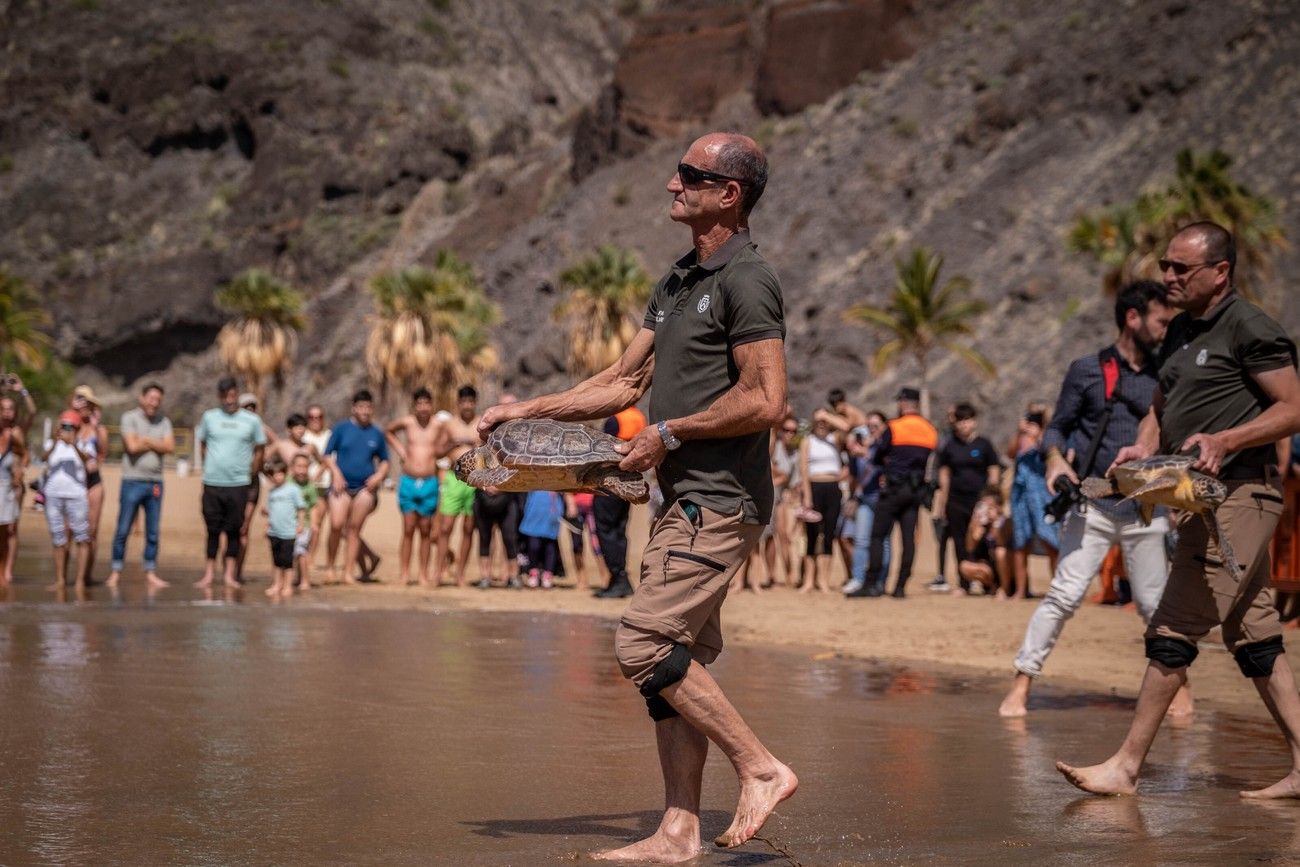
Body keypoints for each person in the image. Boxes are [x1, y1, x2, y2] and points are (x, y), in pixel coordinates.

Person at [478, 132, 796, 861]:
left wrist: (672, 432)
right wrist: (526, 409)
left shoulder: (748, 279)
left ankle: (762, 765)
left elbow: (767, 398)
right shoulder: (680, 279)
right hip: (679, 500)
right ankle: (679, 831)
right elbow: (620, 384)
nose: (670, 183)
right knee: (673, 669)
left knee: (643, 643)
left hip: (717, 500)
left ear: (729, 195)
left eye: (689, 174)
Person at [1056, 221, 1300, 799]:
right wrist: (1145, 445)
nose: (1167, 277)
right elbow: (1161, 406)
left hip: (1242, 494)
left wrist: (1227, 439)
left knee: (1173, 625)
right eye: (1165, 266)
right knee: (1255, 634)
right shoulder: (1182, 331)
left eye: (1180, 269)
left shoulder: (1250, 327)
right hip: (1198, 499)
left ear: (1220, 273)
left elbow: (1292, 408)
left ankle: (1127, 766)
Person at [999, 282, 1180, 717]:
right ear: (1133, 318)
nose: (1165, 329)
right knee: (1063, 596)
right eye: (1160, 320)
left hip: (1145, 505)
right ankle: (1020, 686)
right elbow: (1057, 428)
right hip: (1092, 502)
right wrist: (1056, 462)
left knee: (1154, 606)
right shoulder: (1088, 369)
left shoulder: (1167, 373)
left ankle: (1181, 689)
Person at [850, 387, 938, 598]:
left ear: (903, 403)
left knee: (878, 536)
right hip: (916, 491)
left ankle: (871, 584)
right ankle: (900, 587)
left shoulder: (895, 427)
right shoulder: (930, 430)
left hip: (893, 489)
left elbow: (879, 454)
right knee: (908, 539)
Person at [195, 377, 267, 589]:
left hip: (238, 483)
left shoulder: (251, 420)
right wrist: (210, 465)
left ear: (238, 395)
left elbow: (260, 447)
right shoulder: (210, 417)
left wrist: (252, 470)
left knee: (235, 530)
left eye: (233, 396)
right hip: (213, 482)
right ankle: (209, 573)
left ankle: (229, 575)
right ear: (220, 397)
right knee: (213, 530)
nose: (230, 400)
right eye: (225, 396)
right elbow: (202, 443)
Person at [107, 382, 174, 589]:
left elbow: (170, 447)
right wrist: (155, 443)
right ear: (142, 398)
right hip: (132, 481)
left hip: (155, 483)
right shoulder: (129, 418)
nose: (154, 403)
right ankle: (116, 571)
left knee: (152, 531)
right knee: (123, 529)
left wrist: (145, 440)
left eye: (158, 400)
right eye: (151, 398)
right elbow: (132, 446)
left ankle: (151, 572)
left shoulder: (164, 421)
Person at [929, 403, 1001, 594]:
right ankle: (964, 583)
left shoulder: (984, 445)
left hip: (979, 501)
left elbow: (993, 472)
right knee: (960, 542)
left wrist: (991, 499)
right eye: (960, 421)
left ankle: (991, 582)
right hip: (956, 500)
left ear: (974, 421)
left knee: (983, 540)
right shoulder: (950, 446)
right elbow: (945, 476)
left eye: (967, 420)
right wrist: (943, 503)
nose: (964, 425)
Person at [386, 388, 450, 586]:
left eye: (426, 403)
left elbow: (449, 440)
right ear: (414, 405)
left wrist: (443, 452)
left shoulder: (439, 425)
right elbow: (388, 430)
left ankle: (423, 573)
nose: (423, 407)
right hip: (409, 481)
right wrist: (401, 451)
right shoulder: (407, 422)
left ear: (432, 405)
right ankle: (404, 573)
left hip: (430, 481)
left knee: (425, 530)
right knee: (408, 528)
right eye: (419, 403)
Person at [324, 389, 390, 584]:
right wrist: (335, 474)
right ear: (353, 408)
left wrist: (378, 476)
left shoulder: (376, 433)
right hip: (341, 487)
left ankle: (348, 571)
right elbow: (327, 455)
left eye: (368, 407)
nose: (365, 411)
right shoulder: (341, 429)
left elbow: (385, 461)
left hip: (364, 489)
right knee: (336, 525)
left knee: (354, 529)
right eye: (361, 407)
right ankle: (330, 568)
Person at [591, 406, 647, 598]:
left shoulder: (615, 419)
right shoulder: (638, 417)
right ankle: (618, 579)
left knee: (605, 530)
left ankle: (619, 577)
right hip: (629, 482)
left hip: (610, 482)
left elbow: (604, 450)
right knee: (619, 530)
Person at [1006, 401, 1057, 598]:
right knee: (1020, 542)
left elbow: (1052, 454)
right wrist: (1020, 433)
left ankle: (1056, 590)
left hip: (1044, 494)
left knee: (1051, 541)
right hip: (1021, 495)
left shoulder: (1050, 436)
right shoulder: (1023, 437)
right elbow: (1010, 453)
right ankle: (1020, 589)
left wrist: (1039, 435)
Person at [435, 385, 482, 587]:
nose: (467, 406)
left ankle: (461, 574)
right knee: (445, 527)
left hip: (475, 478)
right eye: (463, 402)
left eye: (470, 402)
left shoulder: (481, 423)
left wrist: (476, 445)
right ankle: (438, 571)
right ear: (458, 403)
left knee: (469, 528)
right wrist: (452, 444)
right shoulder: (450, 425)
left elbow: (492, 450)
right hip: (454, 478)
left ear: (474, 403)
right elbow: (437, 451)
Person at [43, 410, 94, 590]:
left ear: (77, 427)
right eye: (64, 426)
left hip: (76, 495)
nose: (67, 429)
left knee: (82, 536)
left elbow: (88, 460)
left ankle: (80, 580)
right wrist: (55, 441)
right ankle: (60, 580)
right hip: (53, 494)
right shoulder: (52, 444)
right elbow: (43, 458)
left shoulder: (84, 443)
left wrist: (74, 444)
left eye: (71, 426)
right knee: (58, 537)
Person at [797, 410, 845, 593]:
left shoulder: (836, 439)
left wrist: (826, 415)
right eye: (818, 421)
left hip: (833, 488)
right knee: (811, 534)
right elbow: (803, 469)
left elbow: (848, 426)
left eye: (824, 422)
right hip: (814, 487)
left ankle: (824, 580)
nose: (822, 424)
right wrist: (807, 496)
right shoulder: (807, 441)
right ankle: (809, 580)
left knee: (829, 534)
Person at [72, 385, 108, 581]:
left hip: (93, 483)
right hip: (73, 482)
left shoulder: (98, 429)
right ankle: (70, 575)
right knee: (70, 530)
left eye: (87, 402)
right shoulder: (70, 425)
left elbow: (103, 453)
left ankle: (87, 575)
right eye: (80, 400)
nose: (83, 405)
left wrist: (95, 427)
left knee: (91, 531)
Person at [262, 459, 307, 599]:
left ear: (285, 474)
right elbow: (272, 512)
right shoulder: (272, 492)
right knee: (276, 561)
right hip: (274, 531)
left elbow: (300, 508)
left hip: (288, 532)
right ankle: (277, 584)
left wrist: (300, 524)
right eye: (274, 475)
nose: (277, 477)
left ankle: (287, 585)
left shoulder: (293, 489)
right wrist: (267, 524)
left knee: (287, 562)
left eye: (280, 474)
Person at [958, 486, 1011, 593]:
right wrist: (973, 526)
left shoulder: (1004, 522)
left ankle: (1005, 588)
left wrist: (995, 522)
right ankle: (993, 587)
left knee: (1000, 552)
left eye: (990, 506)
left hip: (1008, 567)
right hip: (991, 568)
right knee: (965, 566)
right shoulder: (982, 524)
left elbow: (1001, 543)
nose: (986, 510)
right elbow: (970, 548)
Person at [302, 404, 333, 572]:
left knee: (316, 523)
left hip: (322, 486)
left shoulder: (329, 436)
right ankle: (301, 555)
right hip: (303, 485)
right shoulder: (303, 435)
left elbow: (331, 459)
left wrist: (320, 471)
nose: (316, 420)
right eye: (312, 417)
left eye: (319, 417)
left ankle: (310, 558)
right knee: (302, 522)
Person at [0, 402, 27, 585]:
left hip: (6, 487)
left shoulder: (13, 434)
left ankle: (4, 572)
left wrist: (19, 471)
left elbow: (24, 454)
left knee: (6, 531)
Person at [519, 489, 563, 589]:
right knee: (533, 546)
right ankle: (533, 572)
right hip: (534, 510)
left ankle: (548, 574)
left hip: (551, 510)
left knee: (550, 547)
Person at [289, 452, 319, 590]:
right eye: (299, 466)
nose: (302, 470)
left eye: (305, 467)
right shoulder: (287, 482)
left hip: (304, 525)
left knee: (301, 551)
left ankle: (305, 580)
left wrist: (314, 524)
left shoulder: (310, 486)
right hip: (287, 524)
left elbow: (313, 507)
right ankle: (294, 578)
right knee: (291, 553)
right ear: (292, 467)